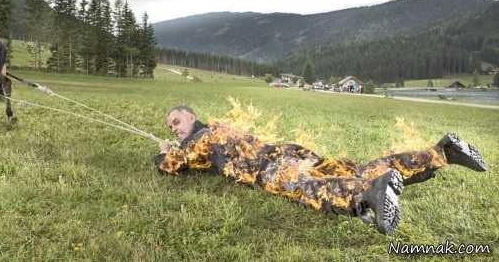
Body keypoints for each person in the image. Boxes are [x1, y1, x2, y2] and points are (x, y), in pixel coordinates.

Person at [155, 106, 488, 234]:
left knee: (304, 188)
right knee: (358, 168)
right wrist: (177, 148)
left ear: (191, 116)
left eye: (176, 121)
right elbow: (197, 162)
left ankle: (367, 194)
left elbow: (173, 165)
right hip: (296, 153)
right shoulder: (219, 129)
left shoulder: (201, 136)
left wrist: (163, 154)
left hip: (275, 168)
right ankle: (440, 152)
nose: (173, 128)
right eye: (170, 126)